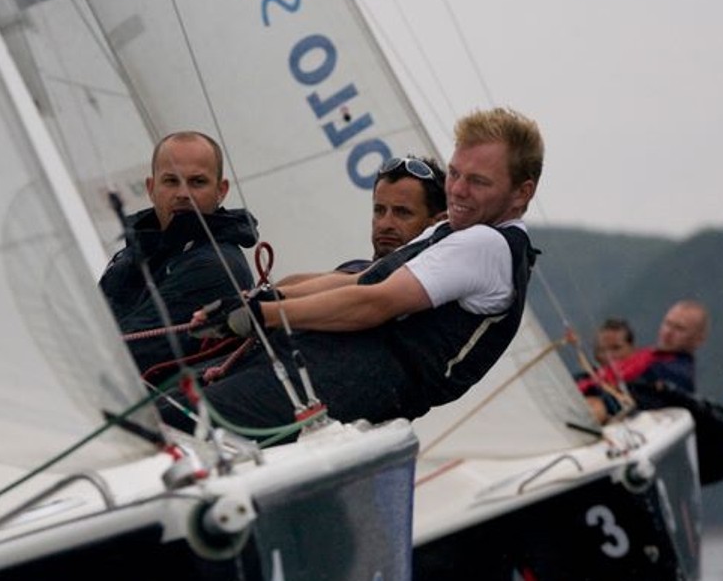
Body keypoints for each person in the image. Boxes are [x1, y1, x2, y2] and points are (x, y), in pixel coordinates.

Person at [165, 107, 544, 441]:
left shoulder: (487, 245)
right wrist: (263, 300)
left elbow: (375, 302)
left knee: (172, 423)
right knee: (167, 409)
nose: (458, 190)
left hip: (357, 382)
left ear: (521, 193)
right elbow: (360, 280)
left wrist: (259, 315)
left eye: (478, 181)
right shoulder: (451, 232)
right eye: (456, 174)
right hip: (324, 365)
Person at [98, 131, 258, 382]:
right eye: (171, 181)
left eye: (197, 182)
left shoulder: (216, 266)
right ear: (151, 188)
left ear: (221, 190)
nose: (183, 193)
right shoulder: (136, 253)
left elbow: (130, 353)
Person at [278, 154, 447, 284]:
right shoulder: (357, 268)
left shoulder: (444, 287)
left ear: (438, 222)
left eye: (402, 212)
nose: (385, 224)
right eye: (379, 210)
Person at [579, 300, 708, 419]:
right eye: (667, 324)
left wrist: (601, 403)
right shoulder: (648, 357)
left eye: (680, 329)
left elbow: (640, 398)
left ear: (698, 339)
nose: (668, 332)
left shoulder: (675, 372)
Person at [631, 381, 723, 485]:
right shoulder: (719, 418)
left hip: (667, 473)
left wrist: (673, 391)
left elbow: (708, 414)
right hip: (664, 467)